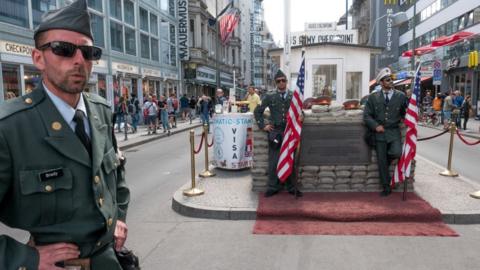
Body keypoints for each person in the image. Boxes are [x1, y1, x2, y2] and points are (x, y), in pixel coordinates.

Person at [0, 1, 130, 269]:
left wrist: (117, 216)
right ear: (38, 59)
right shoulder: (10, 128)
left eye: (88, 52)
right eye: (64, 49)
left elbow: (116, 174)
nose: (79, 60)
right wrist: (25, 258)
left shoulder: (101, 112)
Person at [254, 69, 302, 198]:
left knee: (290, 159)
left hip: (289, 131)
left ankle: (291, 187)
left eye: (283, 80)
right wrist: (263, 125)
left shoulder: (293, 96)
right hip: (276, 132)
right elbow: (258, 111)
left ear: (286, 82)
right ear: (276, 83)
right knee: (274, 160)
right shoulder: (269, 96)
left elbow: (299, 111)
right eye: (278, 81)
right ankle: (272, 187)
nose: (281, 83)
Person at [363, 67, 408, 197]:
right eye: (388, 80)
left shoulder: (401, 96)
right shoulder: (373, 97)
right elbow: (367, 116)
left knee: (397, 152)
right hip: (380, 133)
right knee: (381, 160)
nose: (391, 82)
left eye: (391, 79)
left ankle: (386, 165)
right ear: (381, 83)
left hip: (393, 132)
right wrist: (375, 126)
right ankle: (386, 186)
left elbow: (406, 113)